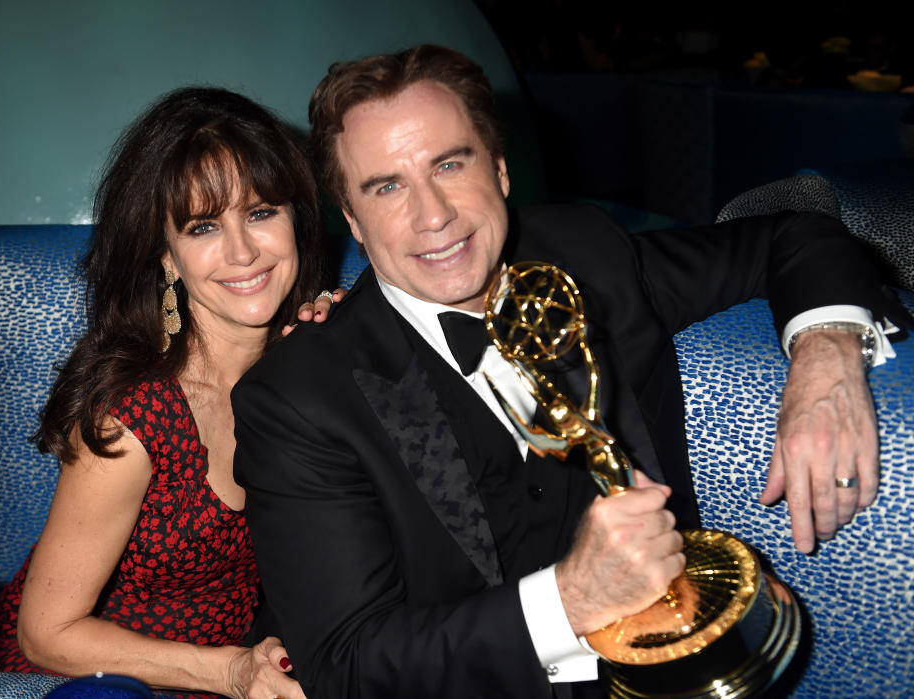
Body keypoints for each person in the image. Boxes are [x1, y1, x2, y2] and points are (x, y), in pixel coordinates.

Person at [232, 45, 910, 698]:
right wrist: (570, 599)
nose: (431, 216)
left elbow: (793, 234)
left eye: (448, 165)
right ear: (351, 217)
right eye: (387, 187)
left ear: (499, 169)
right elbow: (348, 667)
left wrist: (826, 355)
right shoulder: (297, 399)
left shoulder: (588, 254)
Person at [0, 86, 337, 699]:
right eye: (204, 226)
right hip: (93, 683)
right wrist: (228, 671)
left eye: (260, 213)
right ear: (168, 258)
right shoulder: (133, 417)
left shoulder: (305, 361)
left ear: (295, 222)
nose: (243, 251)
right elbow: (46, 633)